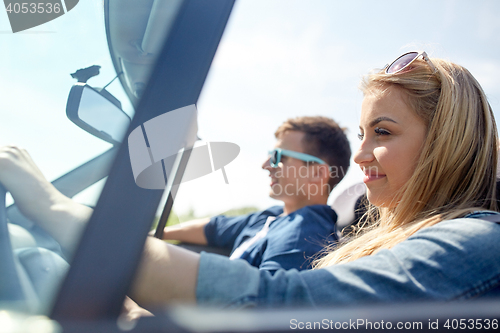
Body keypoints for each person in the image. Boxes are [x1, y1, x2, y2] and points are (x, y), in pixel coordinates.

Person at [2, 51, 500, 310]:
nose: (363, 152)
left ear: (446, 142)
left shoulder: (479, 241)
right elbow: (213, 229)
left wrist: (57, 210)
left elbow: (281, 307)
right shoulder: (265, 220)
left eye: (384, 132)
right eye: (363, 132)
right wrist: (145, 236)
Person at [160, 116, 351, 272]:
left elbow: (262, 305)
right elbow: (214, 228)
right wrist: (153, 235)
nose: (266, 165)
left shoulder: (304, 233)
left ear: (317, 173)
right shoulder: (273, 215)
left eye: (278, 157)